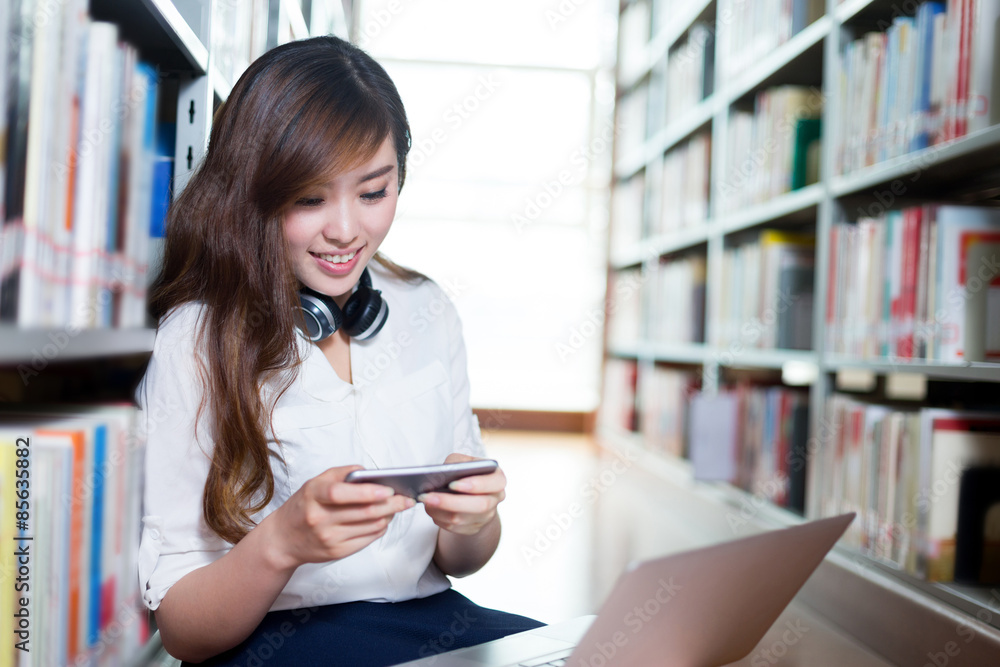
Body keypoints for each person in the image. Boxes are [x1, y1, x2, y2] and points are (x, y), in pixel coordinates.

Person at [136, 35, 543, 666]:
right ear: (254, 194)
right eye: (309, 199)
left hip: (430, 621)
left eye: (374, 193)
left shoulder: (425, 307)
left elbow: (458, 560)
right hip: (283, 642)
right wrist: (282, 544)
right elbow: (185, 633)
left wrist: (474, 521)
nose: (347, 231)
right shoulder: (196, 339)